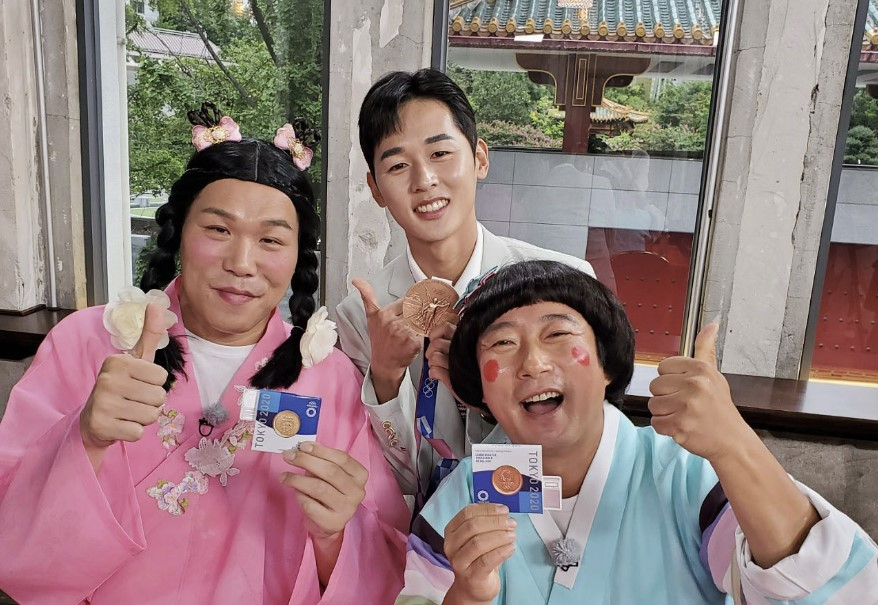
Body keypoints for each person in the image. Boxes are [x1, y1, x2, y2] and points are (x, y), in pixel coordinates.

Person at [0, 105, 408, 604]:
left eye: (271, 240)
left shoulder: (329, 377)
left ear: (298, 256)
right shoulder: (88, 342)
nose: (241, 263)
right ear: (178, 234)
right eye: (218, 230)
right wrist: (82, 438)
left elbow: (386, 560)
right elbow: (10, 525)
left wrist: (335, 538)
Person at [396, 260, 878, 604]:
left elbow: (821, 589)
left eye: (558, 335)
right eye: (502, 342)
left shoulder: (689, 477)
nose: (533, 363)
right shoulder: (460, 502)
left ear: (608, 363)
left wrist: (732, 443)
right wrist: (468, 594)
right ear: (478, 387)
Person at [335, 69, 595, 501]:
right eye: (398, 165)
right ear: (376, 189)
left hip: (538, 530)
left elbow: (583, 436)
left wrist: (485, 393)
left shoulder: (563, 285)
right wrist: (384, 375)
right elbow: (384, 477)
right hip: (419, 543)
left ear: (479, 158)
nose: (424, 181)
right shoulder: (362, 315)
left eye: (440, 154)